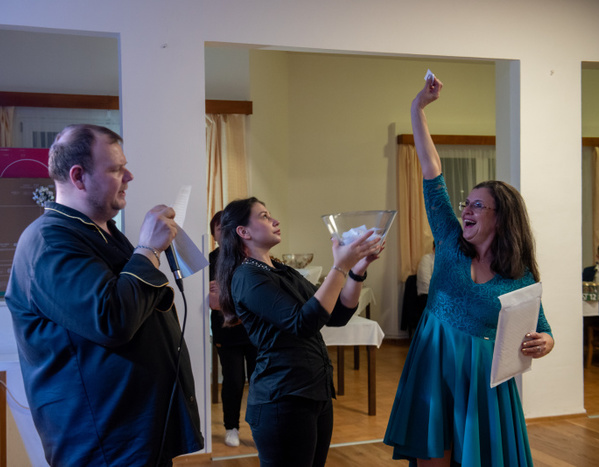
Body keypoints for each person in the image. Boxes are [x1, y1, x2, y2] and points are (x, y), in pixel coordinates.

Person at [5, 124, 203, 466]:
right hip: (103, 443)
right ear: (78, 177)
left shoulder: (104, 232)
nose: (129, 177)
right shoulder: (50, 242)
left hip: (138, 432)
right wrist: (147, 250)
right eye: (115, 169)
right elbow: (112, 319)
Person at [383, 77, 554, 466]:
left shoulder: (518, 273)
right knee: (433, 456)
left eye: (478, 205)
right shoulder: (448, 240)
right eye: (467, 203)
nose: (467, 210)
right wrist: (417, 109)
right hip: (432, 368)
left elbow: (542, 328)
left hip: (483, 381)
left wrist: (544, 342)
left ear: (502, 218)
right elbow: (432, 171)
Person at [215, 197, 383, 467]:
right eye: (264, 216)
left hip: (315, 392)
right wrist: (339, 267)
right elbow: (302, 323)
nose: (275, 221)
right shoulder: (247, 276)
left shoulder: (283, 271)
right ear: (243, 232)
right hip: (283, 399)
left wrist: (356, 271)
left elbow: (337, 314)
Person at [208, 210, 257, 447]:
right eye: (220, 229)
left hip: (254, 330)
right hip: (226, 331)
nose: (225, 232)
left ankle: (259, 428)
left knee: (258, 380)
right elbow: (212, 299)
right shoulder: (210, 260)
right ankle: (231, 427)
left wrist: (228, 293)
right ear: (214, 235)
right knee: (234, 381)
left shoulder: (248, 256)